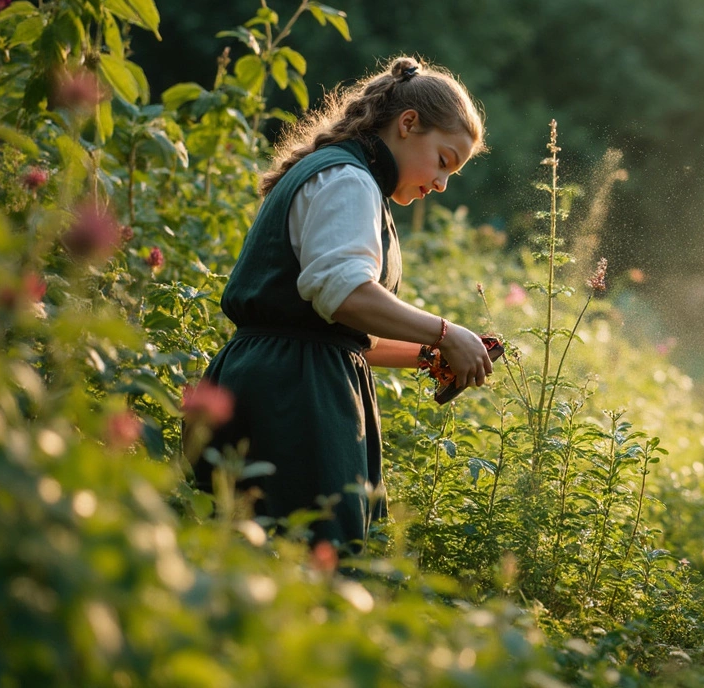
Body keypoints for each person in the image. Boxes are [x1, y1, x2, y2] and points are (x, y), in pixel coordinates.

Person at [192, 56, 494, 550]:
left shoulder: (350, 181)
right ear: (408, 124)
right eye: (443, 161)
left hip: (286, 378)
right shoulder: (348, 181)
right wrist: (446, 333)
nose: (441, 184)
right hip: (294, 398)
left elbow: (345, 334)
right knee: (303, 562)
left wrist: (429, 353)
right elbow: (346, 295)